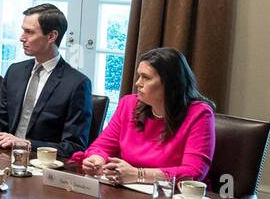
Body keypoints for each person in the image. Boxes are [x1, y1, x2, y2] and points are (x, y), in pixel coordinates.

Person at [75, 47, 214, 183]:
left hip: (173, 197)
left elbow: (193, 172)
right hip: (128, 191)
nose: (137, 83)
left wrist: (139, 174)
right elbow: (101, 146)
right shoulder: (128, 104)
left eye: (146, 78)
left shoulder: (199, 114)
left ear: (170, 84)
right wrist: (97, 160)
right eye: (139, 76)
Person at [0, 3, 93, 158]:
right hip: (3, 158)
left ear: (51, 36)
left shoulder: (77, 84)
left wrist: (27, 144)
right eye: (23, 30)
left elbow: (74, 147)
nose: (21, 37)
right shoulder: (14, 71)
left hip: (42, 165)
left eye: (29, 32)